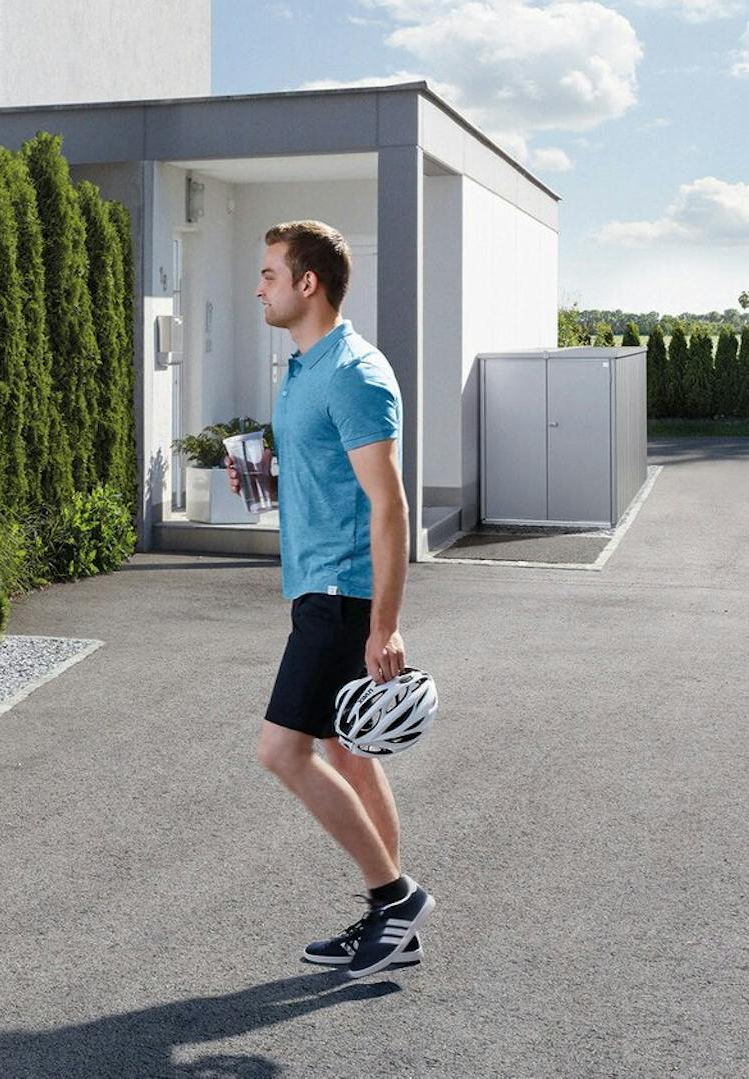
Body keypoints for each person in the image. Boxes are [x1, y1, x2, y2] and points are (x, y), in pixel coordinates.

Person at [232, 220, 434, 978]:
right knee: (347, 751)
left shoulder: (354, 373)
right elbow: (327, 475)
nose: (259, 287)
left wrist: (385, 624)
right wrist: (264, 481)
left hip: (341, 593)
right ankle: (390, 926)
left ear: (307, 282)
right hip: (314, 585)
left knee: (281, 749)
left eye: (269, 273)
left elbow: (389, 504)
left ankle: (395, 898)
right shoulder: (303, 368)